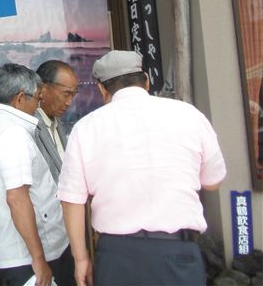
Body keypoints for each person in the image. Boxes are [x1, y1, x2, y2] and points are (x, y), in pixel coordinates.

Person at [58, 50, 227, 286]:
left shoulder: (86, 128)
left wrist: (81, 259)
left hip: (117, 256)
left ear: (102, 90)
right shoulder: (189, 115)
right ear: (146, 81)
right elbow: (213, 182)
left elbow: (72, 199)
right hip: (178, 253)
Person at [0, 63, 75, 286]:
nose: (38, 105)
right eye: (37, 99)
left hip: (13, 250)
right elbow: (17, 199)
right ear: (20, 98)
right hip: (31, 255)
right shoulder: (13, 135)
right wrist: (38, 259)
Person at [34, 60, 78, 181]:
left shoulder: (57, 123)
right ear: (42, 89)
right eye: (66, 94)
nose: (69, 102)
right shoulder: (30, 127)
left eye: (73, 95)